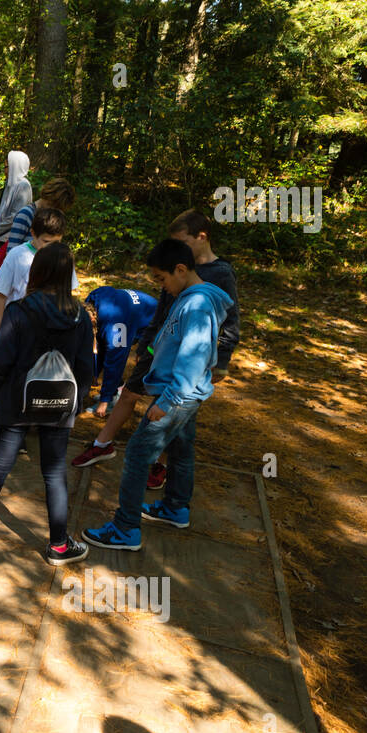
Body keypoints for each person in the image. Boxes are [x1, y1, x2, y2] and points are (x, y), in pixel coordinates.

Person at [81, 238, 232, 553]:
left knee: (137, 455)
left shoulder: (198, 304)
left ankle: (125, 528)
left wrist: (165, 404)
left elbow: (194, 359)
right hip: (177, 393)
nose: (162, 287)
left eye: (162, 280)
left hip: (175, 397)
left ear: (180, 269)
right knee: (181, 449)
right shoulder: (189, 297)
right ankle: (176, 507)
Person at [72, 209, 240, 487]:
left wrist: (222, 357)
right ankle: (102, 444)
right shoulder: (171, 264)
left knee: (172, 409)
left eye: (182, 241)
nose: (177, 248)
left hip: (186, 355)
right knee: (129, 393)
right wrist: (148, 340)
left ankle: (159, 464)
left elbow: (231, 319)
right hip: (157, 345)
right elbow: (162, 309)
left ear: (202, 237)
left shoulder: (220, 273)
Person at [0, 243, 94, 564]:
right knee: (54, 472)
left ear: (37, 272)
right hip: (59, 403)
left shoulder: (19, 310)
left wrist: (1, 395)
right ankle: (59, 546)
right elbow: (86, 369)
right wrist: (76, 404)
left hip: (16, 403)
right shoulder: (80, 318)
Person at [0, 205, 78, 334]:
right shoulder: (16, 255)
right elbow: (0, 297)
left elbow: (69, 294)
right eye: (46, 241)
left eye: (56, 242)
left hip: (51, 330)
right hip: (18, 328)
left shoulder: (63, 257)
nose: (51, 247)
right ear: (33, 234)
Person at [84, 285, 157, 418]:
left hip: (154, 325)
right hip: (132, 315)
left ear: (93, 320)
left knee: (124, 360)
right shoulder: (93, 299)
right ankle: (112, 390)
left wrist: (104, 401)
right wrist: (95, 373)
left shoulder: (115, 324)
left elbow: (116, 360)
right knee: (104, 346)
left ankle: (112, 399)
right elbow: (98, 342)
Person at [0, 150, 33, 331]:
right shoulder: (10, 184)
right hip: (1, 236)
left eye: (7, 166)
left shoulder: (23, 186)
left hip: (10, 239)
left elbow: (15, 216)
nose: (5, 169)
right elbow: (4, 211)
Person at [5, 177, 76, 255]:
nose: (53, 211)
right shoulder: (26, 214)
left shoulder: (54, 219)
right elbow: (11, 251)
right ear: (47, 197)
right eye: (52, 205)